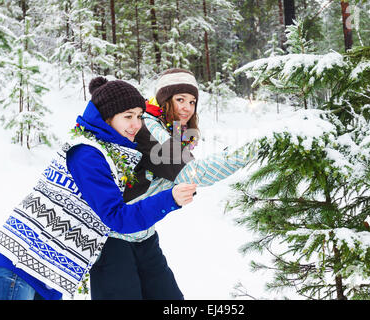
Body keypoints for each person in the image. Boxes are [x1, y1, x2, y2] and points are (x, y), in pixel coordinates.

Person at [0, 77, 197, 300]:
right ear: (107, 117)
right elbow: (116, 217)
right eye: (128, 117)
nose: (136, 125)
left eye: (139, 116)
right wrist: (169, 199)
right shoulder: (88, 154)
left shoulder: (110, 153)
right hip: (21, 262)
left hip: (49, 269)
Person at [89, 68, 255, 300]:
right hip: (113, 239)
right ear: (164, 100)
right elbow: (191, 173)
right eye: (179, 99)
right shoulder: (147, 127)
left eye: (192, 101)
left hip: (144, 235)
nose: (187, 107)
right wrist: (252, 150)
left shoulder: (177, 132)